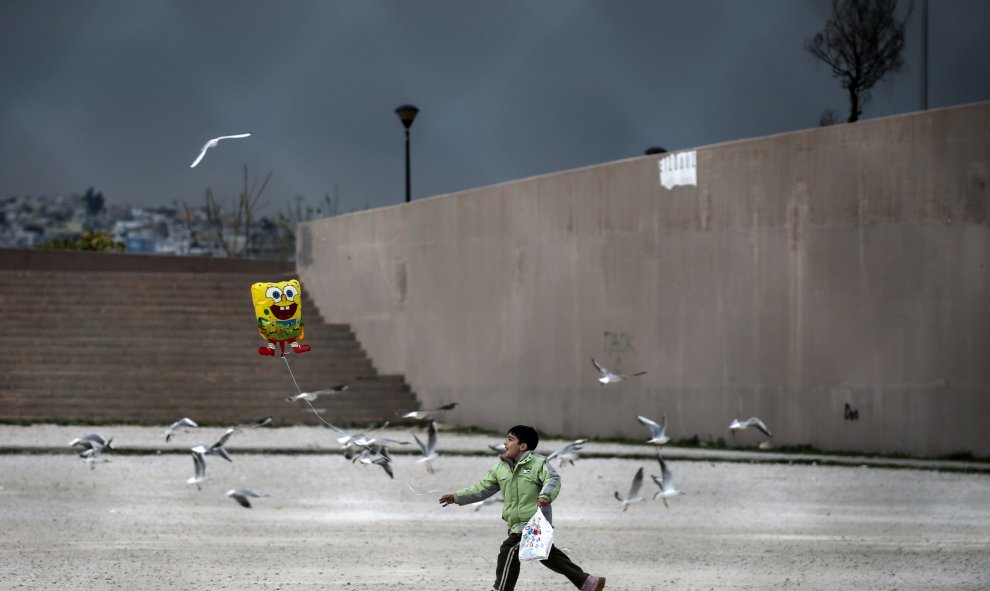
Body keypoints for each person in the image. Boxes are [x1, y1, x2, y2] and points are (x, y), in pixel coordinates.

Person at [439, 425, 606, 591]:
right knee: (547, 555)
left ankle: (501, 589)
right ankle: (588, 582)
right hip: (515, 523)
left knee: (509, 549)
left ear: (523, 446)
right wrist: (457, 496)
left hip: (534, 523)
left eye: (510, 439)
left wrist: (545, 496)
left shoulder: (538, 463)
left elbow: (553, 479)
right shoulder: (500, 467)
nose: (505, 443)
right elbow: (482, 488)